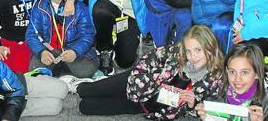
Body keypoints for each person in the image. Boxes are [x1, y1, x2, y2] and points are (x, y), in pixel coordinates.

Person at [77, 25, 224, 119]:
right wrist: (151, 80)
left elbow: (206, 109)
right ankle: (77, 84)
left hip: (143, 107)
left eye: (198, 50)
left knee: (85, 107)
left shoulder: (214, 79)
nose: (192, 57)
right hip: (132, 83)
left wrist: (193, 105)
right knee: (83, 90)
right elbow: (148, 59)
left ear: (211, 48)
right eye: (189, 51)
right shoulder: (176, 53)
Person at [26, 0, 99, 78]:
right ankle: (62, 70)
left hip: (72, 49)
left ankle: (61, 70)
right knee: (35, 70)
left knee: (85, 71)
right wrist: (42, 52)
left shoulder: (80, 8)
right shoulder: (39, 8)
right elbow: (31, 35)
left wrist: (75, 51)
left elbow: (87, 35)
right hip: (49, 50)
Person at [196, 44, 268, 121]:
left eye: (244, 72)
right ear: (227, 71)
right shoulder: (220, 93)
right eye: (232, 72)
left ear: (256, 73)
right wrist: (206, 117)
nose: (237, 79)